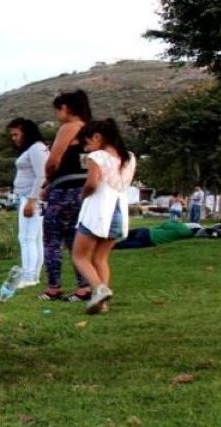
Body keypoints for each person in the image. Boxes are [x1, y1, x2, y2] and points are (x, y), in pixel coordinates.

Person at [71, 119, 136, 315]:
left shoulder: (97, 156)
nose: (86, 147)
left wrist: (81, 196)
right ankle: (102, 303)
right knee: (101, 258)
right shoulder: (129, 157)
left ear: (97, 137)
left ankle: (99, 289)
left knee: (79, 256)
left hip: (98, 211)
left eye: (87, 142)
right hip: (118, 211)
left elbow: (92, 184)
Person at [40, 90, 93, 302]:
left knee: (52, 239)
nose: (57, 115)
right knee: (76, 240)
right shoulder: (91, 130)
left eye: (58, 110)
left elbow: (54, 160)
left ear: (66, 108)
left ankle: (54, 287)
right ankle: (84, 286)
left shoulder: (69, 128)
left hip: (63, 191)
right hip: (84, 191)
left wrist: (48, 179)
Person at [7, 118, 48, 289]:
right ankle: (34, 275)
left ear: (26, 132)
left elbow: (42, 175)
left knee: (26, 238)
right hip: (30, 197)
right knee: (35, 238)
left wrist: (32, 200)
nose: (14, 138)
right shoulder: (35, 149)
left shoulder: (36, 149)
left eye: (16, 134)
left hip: (31, 197)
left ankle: (29, 276)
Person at [113, 220, 198, 249]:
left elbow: (165, 224)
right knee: (123, 245)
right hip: (151, 241)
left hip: (148, 232)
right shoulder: (187, 235)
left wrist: (175, 222)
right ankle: (112, 246)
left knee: (125, 234)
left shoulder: (181, 227)